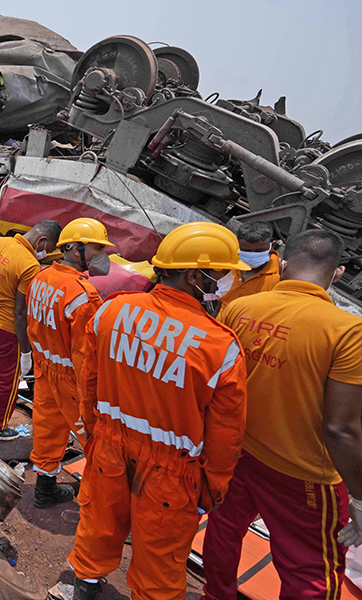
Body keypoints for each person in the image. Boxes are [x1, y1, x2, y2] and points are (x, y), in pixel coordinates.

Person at [67, 222, 249, 600]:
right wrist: (212, 489)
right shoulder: (219, 346)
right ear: (195, 275)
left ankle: (80, 587)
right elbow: (225, 433)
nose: (223, 281)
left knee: (98, 525)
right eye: (219, 274)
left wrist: (91, 435)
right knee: (160, 560)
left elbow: (89, 381)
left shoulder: (112, 311)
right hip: (172, 470)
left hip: (108, 446)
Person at [203, 229, 362, 599]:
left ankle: (215, 595)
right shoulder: (347, 332)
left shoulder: (240, 307)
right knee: (310, 567)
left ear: (285, 263)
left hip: (237, 452)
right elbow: (340, 429)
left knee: (224, 528)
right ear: (336, 273)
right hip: (303, 472)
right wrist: (360, 497)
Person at [22, 218, 112, 509]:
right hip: (71, 378)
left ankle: (45, 489)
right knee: (95, 438)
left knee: (48, 426)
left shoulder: (41, 277)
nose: (103, 255)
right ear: (74, 249)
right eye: (97, 247)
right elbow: (87, 356)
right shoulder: (83, 296)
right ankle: (98, 505)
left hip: (45, 366)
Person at [0, 220, 61, 442]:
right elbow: (21, 313)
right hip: (5, 329)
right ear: (42, 241)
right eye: (47, 249)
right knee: (6, 380)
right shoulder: (30, 265)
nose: (45, 254)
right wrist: (26, 351)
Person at [217, 221, 280, 315]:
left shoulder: (280, 275)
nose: (252, 255)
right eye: (246, 250)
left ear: (272, 245)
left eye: (259, 250)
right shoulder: (230, 263)